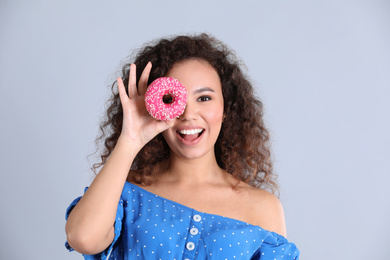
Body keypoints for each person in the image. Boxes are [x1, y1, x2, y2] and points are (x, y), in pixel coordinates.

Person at [65, 33, 300, 259]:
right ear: (154, 107)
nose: (188, 115)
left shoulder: (262, 207)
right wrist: (130, 139)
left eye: (204, 98)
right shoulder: (125, 193)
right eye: (171, 99)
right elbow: (83, 239)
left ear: (226, 109)